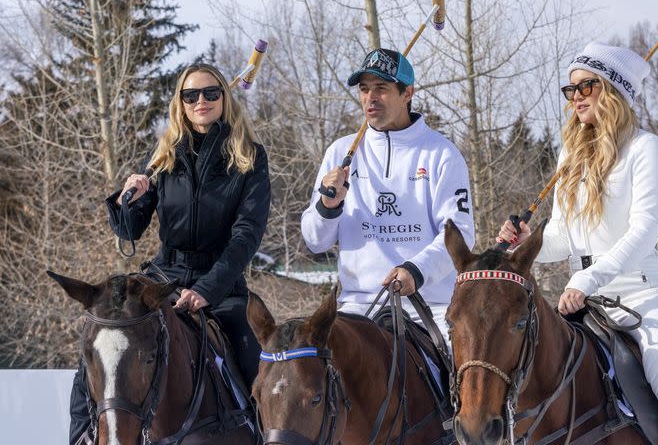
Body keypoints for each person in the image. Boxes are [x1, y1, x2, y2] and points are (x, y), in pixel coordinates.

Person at [497, 42, 658, 444]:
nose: (575, 97)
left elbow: (644, 232)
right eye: (571, 89)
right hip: (584, 302)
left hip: (644, 297)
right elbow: (563, 239)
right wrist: (529, 244)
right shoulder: (571, 156)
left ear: (613, 90)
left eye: (585, 86)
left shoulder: (645, 149)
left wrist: (588, 279)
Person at [69, 63, 270, 444]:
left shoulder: (249, 157)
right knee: (99, 342)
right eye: (191, 95)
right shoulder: (164, 154)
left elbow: (247, 235)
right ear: (180, 102)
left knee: (256, 361)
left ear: (224, 99)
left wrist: (208, 290)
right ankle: (80, 435)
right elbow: (128, 230)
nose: (201, 101)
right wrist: (130, 198)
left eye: (211, 93)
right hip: (163, 281)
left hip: (222, 286)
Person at [301, 48, 475, 342]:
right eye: (364, 89)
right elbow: (315, 241)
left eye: (381, 88)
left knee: (462, 382)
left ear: (407, 93)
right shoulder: (340, 152)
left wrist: (415, 271)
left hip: (428, 308)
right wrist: (328, 206)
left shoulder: (441, 154)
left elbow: (460, 236)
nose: (370, 98)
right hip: (357, 309)